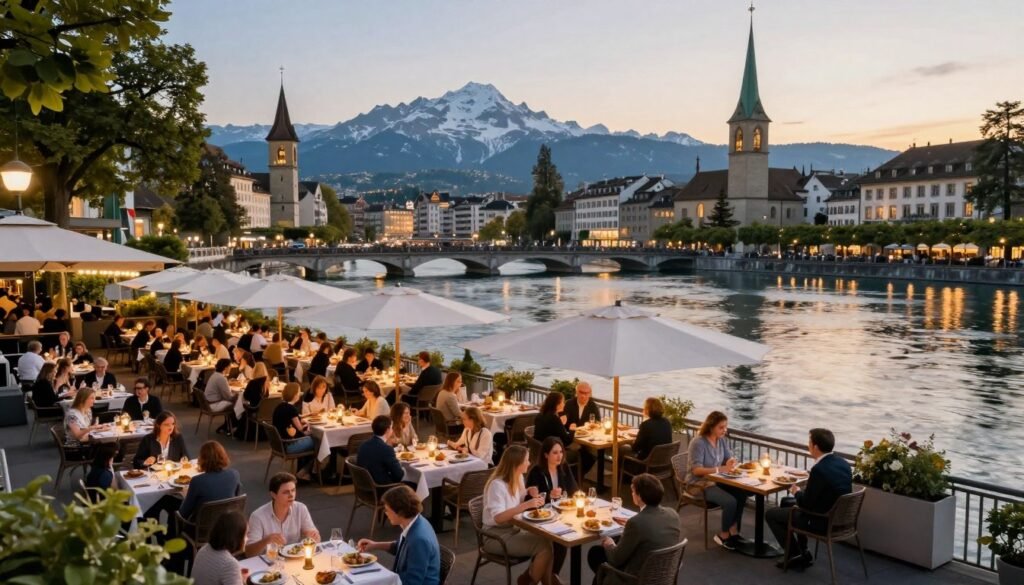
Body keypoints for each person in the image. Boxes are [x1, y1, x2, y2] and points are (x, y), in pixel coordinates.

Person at [766, 428, 852, 570]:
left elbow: (806, 504)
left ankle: (793, 554)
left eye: (809, 442)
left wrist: (796, 491)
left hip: (821, 521)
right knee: (785, 502)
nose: (808, 445)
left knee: (771, 515)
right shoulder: (842, 463)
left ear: (815, 447)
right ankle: (803, 552)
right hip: (840, 517)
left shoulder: (819, 469)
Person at [586, 473, 682, 585]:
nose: (632, 494)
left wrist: (609, 544)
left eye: (633, 492)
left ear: (639, 496)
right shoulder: (673, 515)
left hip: (636, 579)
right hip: (664, 575)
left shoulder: (636, 523)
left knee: (596, 554)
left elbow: (615, 559)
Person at [482, 445, 553, 585]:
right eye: (526, 460)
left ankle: (541, 581)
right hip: (494, 536)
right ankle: (532, 582)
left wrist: (528, 491)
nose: (529, 463)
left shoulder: (518, 477)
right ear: (516, 463)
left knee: (547, 541)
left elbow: (516, 498)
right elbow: (498, 517)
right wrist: (526, 505)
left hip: (514, 529)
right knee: (544, 547)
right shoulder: (497, 485)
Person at [685, 411, 749, 550]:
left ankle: (733, 530)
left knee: (741, 495)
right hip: (698, 484)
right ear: (711, 426)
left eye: (725, 427)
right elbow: (696, 470)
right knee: (730, 501)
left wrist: (731, 461)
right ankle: (723, 535)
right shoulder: (698, 443)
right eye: (721, 427)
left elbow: (727, 459)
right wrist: (720, 469)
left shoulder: (721, 441)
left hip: (717, 480)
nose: (724, 430)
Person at [358, 485, 441, 585]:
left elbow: (412, 582)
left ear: (400, 512)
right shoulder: (415, 522)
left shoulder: (419, 540)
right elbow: (401, 547)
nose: (386, 513)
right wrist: (375, 545)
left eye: (387, 510)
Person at [244, 472, 320, 557]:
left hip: (295, 560)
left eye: (293, 490)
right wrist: (266, 541)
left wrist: (313, 537)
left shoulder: (301, 508)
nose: (291, 495)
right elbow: (249, 553)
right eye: (286, 492)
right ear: (273, 495)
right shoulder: (257, 516)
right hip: (269, 562)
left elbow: (316, 539)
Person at [179, 441, 242, 520]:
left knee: (174, 513)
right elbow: (236, 501)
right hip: (227, 524)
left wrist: (185, 496)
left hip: (201, 528)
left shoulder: (197, 481)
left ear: (202, 460)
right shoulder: (234, 475)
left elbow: (183, 513)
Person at [272, 382, 317, 480]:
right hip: (289, 445)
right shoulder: (291, 409)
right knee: (317, 441)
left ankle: (301, 471)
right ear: (295, 394)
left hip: (279, 444)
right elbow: (301, 430)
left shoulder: (279, 406)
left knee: (309, 440)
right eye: (298, 392)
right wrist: (309, 430)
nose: (299, 394)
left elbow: (293, 421)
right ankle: (303, 472)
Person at [191, 511, 247, 585]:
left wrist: (237, 577)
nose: (247, 539)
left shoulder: (204, 549)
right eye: (246, 535)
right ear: (237, 537)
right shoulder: (230, 564)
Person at [357, 415, 406, 486]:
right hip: (381, 488)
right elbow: (399, 476)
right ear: (387, 430)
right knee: (414, 484)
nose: (392, 431)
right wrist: (404, 470)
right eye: (391, 428)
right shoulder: (386, 449)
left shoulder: (363, 445)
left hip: (364, 486)